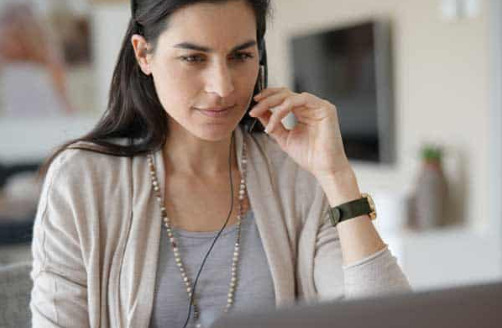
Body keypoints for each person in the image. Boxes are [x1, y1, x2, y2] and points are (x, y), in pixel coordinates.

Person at [30, 0, 411, 327]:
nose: (223, 87)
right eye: (193, 58)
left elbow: (385, 320)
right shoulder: (80, 180)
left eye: (240, 56)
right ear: (144, 54)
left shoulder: (294, 177)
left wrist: (336, 175)